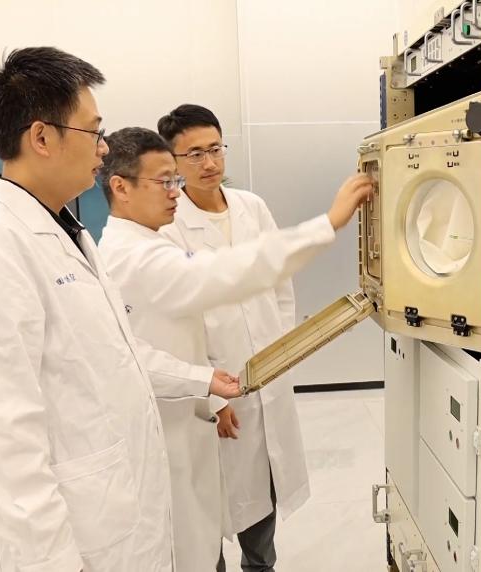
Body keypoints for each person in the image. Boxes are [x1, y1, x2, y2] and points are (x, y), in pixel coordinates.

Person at [0, 47, 239, 572]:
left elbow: (118, 356)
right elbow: (1, 438)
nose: (103, 148)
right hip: (71, 542)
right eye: (93, 132)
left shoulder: (68, 234)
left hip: (119, 518)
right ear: (42, 137)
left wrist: (201, 378)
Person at [95, 127, 372, 571]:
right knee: (200, 537)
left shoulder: (145, 241)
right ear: (121, 187)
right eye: (166, 180)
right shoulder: (134, 254)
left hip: (204, 404)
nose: (175, 191)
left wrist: (208, 378)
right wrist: (328, 223)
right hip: (176, 427)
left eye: (175, 180)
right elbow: (221, 274)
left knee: (233, 513)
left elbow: (269, 288)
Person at [157, 104, 338, 571]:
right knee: (216, 500)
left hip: (266, 372)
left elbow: (279, 281)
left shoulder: (251, 207)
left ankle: (260, 566)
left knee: (265, 485)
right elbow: (177, 322)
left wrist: (281, 353)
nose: (209, 162)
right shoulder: (169, 225)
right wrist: (212, 398)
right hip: (215, 383)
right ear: (173, 161)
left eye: (215, 149)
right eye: (194, 154)